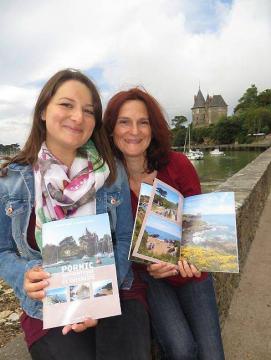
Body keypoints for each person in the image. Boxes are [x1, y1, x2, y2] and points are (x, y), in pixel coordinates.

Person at [0, 70, 151, 360]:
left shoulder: (111, 172)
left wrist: (99, 295)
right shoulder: (11, 180)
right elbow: (3, 249)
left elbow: (124, 240)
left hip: (116, 289)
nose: (78, 117)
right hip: (46, 303)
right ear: (44, 110)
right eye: (66, 105)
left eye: (88, 110)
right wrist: (23, 275)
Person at [103, 87, 225, 360]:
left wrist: (182, 258)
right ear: (111, 130)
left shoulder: (178, 165)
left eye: (143, 122)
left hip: (190, 270)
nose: (134, 130)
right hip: (149, 276)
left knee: (212, 353)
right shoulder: (107, 181)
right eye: (124, 121)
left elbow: (200, 228)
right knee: (181, 348)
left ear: (153, 127)